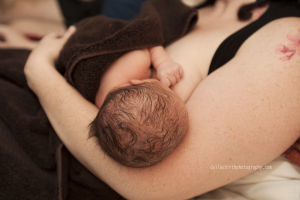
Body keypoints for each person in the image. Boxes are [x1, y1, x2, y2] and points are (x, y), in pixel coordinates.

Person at [17, 0, 300, 199]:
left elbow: (154, 186)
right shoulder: (194, 8)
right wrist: (29, 47)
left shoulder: (289, 39)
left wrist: (39, 70)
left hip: (52, 145)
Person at [91, 46, 189, 168]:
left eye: (167, 89)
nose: (170, 87)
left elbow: (149, 43)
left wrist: (163, 62)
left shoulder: (137, 61)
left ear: (138, 82)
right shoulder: (105, 110)